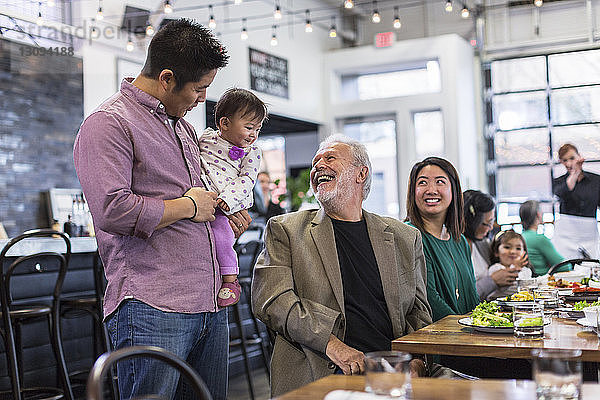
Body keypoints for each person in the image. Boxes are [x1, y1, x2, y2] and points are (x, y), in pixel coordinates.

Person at [73, 19, 251, 400]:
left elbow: (202, 202)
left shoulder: (183, 127)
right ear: (167, 78)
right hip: (153, 304)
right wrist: (189, 206)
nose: (203, 97)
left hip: (208, 299)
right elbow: (111, 209)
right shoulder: (108, 124)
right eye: (200, 88)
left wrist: (221, 220)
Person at [251, 134, 433, 396]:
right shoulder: (286, 230)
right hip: (323, 367)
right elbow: (272, 300)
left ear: (361, 174)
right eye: (315, 161)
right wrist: (332, 344)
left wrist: (416, 360)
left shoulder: (404, 237)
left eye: (330, 157)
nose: (318, 166)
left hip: (393, 367)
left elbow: (419, 311)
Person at [198, 88, 267, 307]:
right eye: (248, 127)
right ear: (224, 124)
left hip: (228, 204)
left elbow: (247, 180)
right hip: (203, 199)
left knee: (222, 238)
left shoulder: (251, 152)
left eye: (258, 129)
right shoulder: (206, 138)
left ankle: (229, 281)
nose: (253, 134)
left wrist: (228, 199)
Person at [405, 157, 479, 322]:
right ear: (413, 192)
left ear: (453, 189)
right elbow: (429, 299)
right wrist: (466, 326)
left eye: (440, 182)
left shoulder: (460, 241)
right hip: (441, 337)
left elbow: (472, 293)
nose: (431, 190)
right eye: (423, 183)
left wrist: (484, 322)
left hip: (469, 334)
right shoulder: (410, 235)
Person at [463, 190, 526, 301]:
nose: (491, 228)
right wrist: (492, 281)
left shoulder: (483, 244)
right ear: (470, 222)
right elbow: (461, 298)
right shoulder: (454, 248)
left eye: (492, 222)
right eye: (486, 223)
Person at [552, 143, 600, 259]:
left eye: (572, 158)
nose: (569, 163)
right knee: (565, 267)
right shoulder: (559, 182)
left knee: (593, 265)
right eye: (565, 160)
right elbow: (562, 193)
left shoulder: (596, 180)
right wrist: (575, 174)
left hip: (590, 233)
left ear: (579, 156)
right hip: (566, 235)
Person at [519, 200, 570, 275]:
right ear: (538, 215)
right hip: (542, 282)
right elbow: (564, 267)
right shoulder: (539, 239)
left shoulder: (519, 237)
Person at [487, 230, 533, 299]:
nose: (513, 252)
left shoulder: (526, 270)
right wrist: (515, 267)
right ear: (496, 252)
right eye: (507, 247)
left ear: (524, 252)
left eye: (518, 248)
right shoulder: (495, 269)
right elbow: (505, 288)